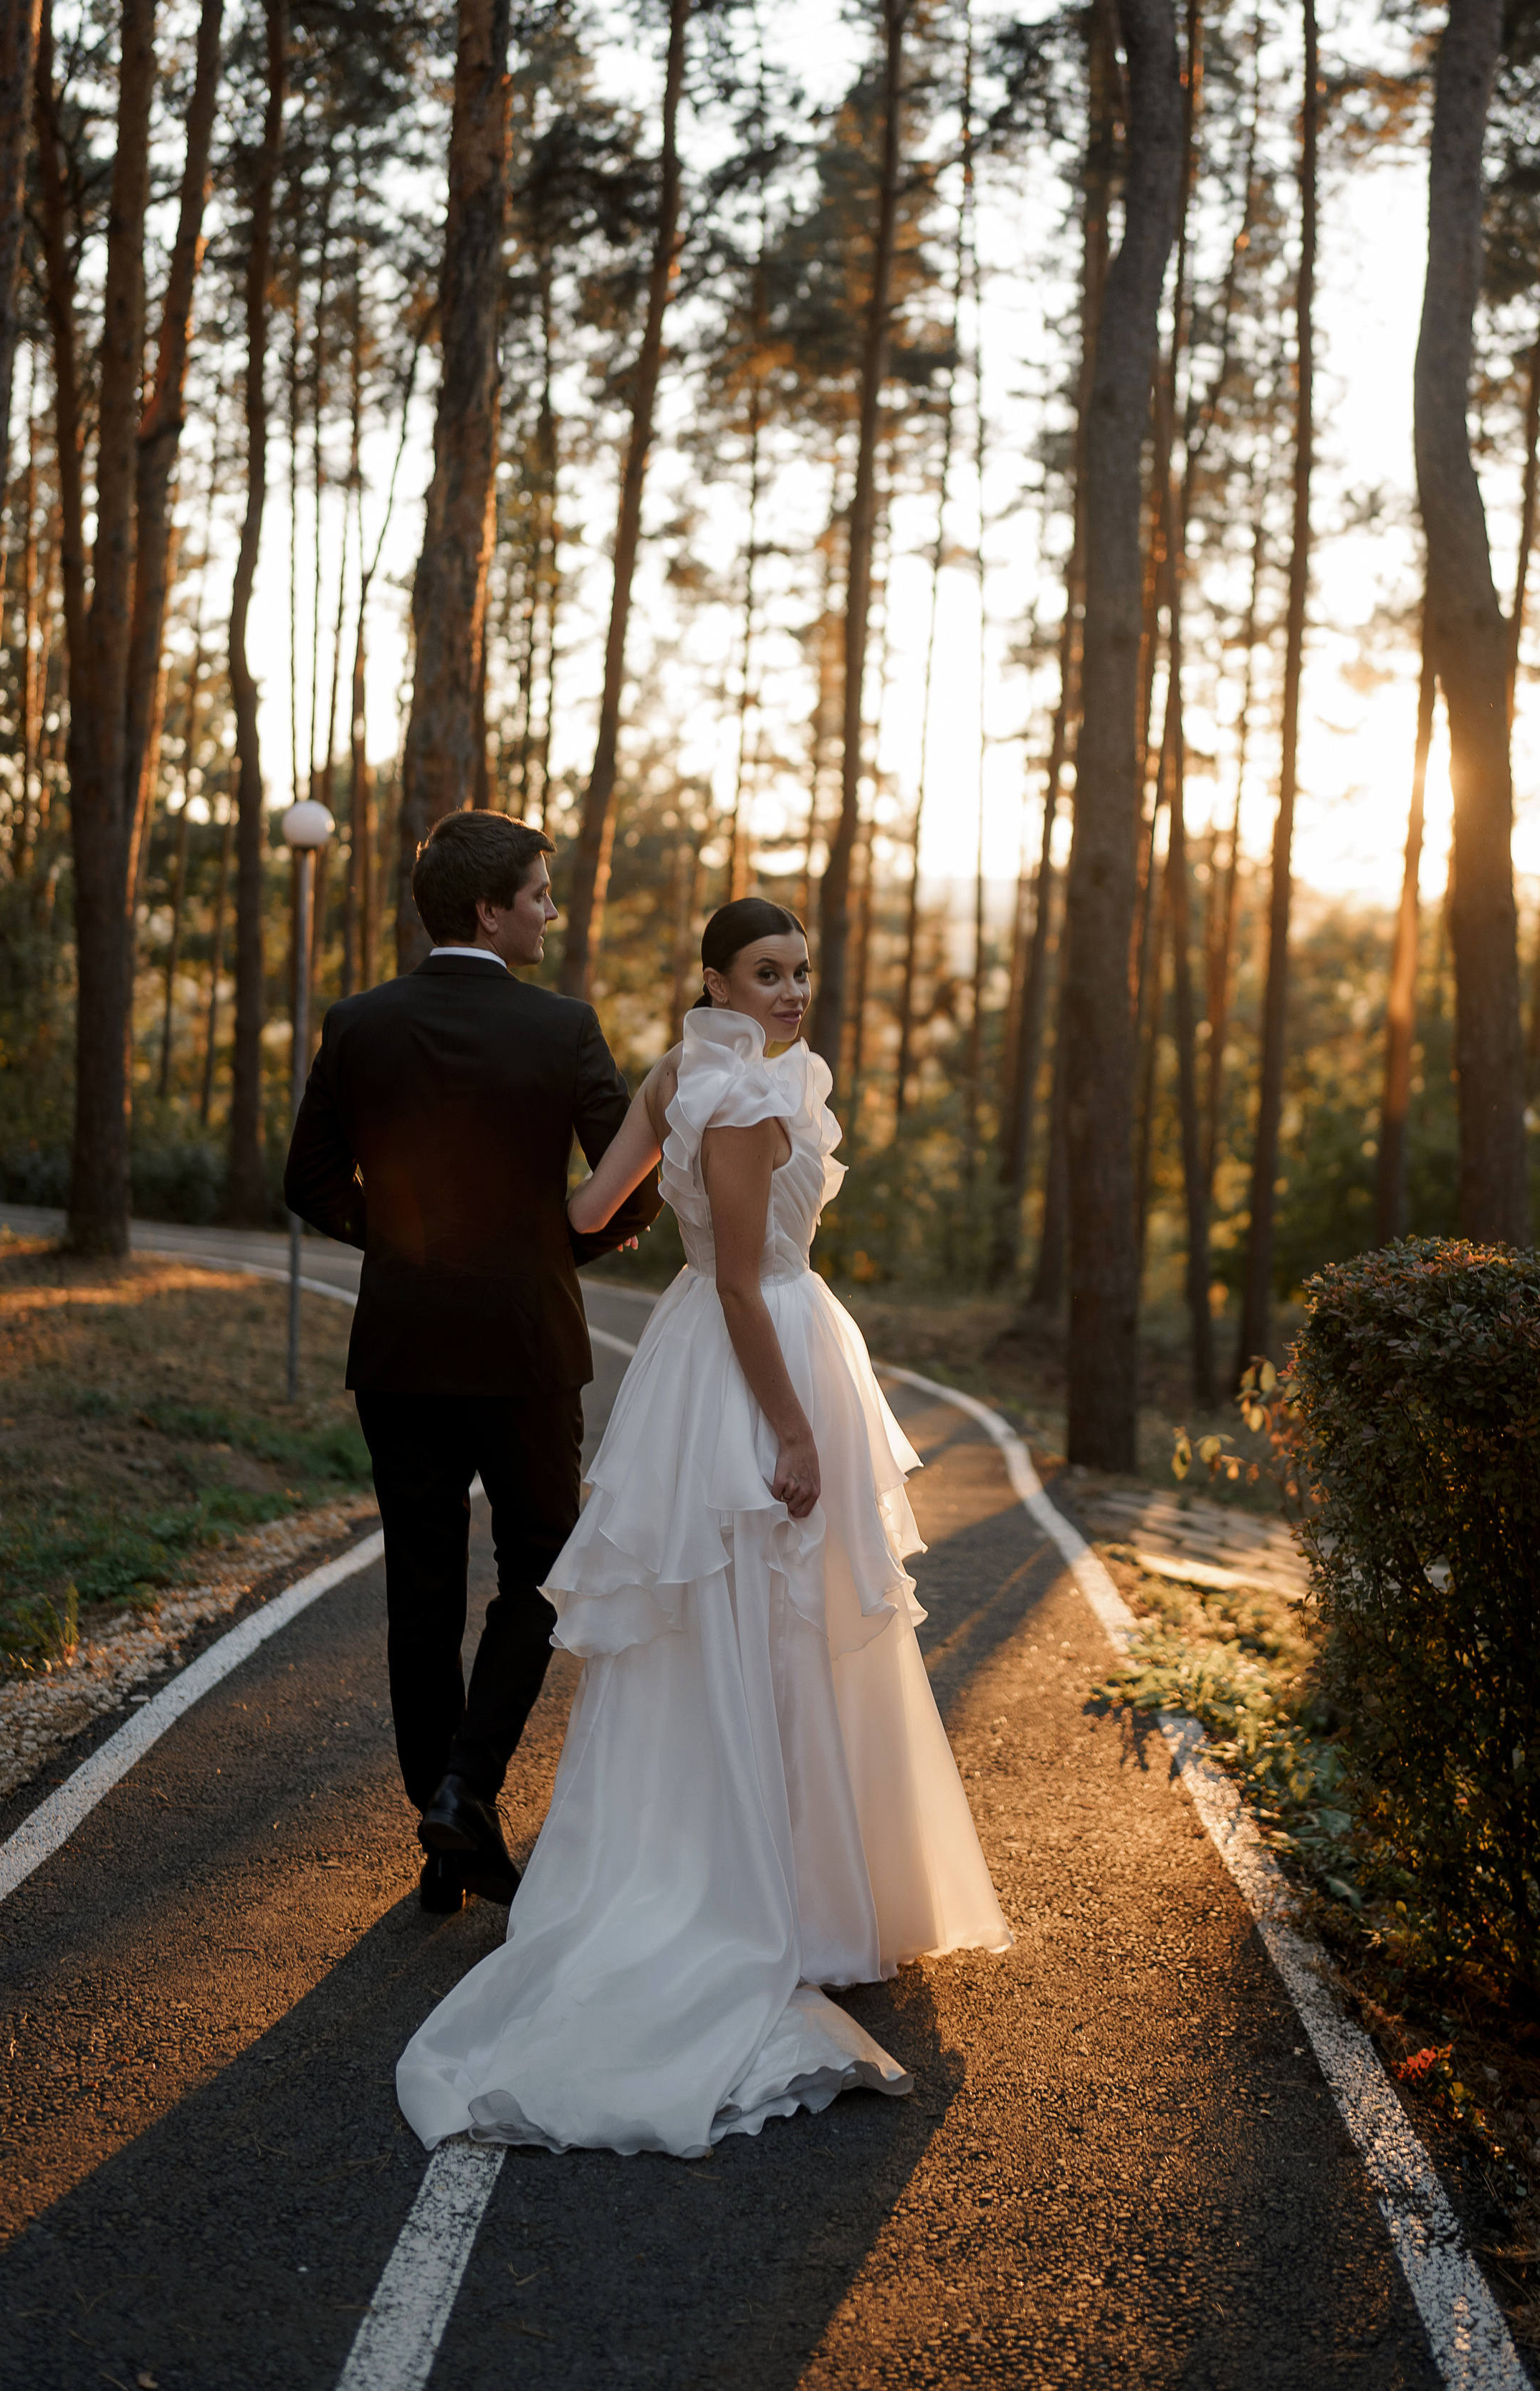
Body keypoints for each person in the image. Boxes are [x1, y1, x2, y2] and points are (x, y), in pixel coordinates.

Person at [396, 897, 1010, 2159]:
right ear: (717, 978)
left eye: (801, 971)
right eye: (767, 974)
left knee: (751, 1620)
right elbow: (738, 1279)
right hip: (758, 1356)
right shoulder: (736, 1097)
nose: (792, 992)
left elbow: (581, 1213)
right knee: (773, 1617)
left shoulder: (688, 1070)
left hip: (704, 1351)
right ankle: (770, 1898)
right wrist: (788, 1432)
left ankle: (773, 1876)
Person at [282, 808, 659, 1918]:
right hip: (525, 1341)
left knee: (422, 1588)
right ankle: (465, 1787)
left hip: (399, 1344)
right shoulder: (562, 1029)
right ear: (491, 910)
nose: (552, 910)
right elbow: (626, 1180)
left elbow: (308, 1184)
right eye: (541, 893)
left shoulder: (358, 1023)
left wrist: (406, 1249)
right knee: (542, 1566)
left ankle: (443, 1839)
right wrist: (553, 1249)